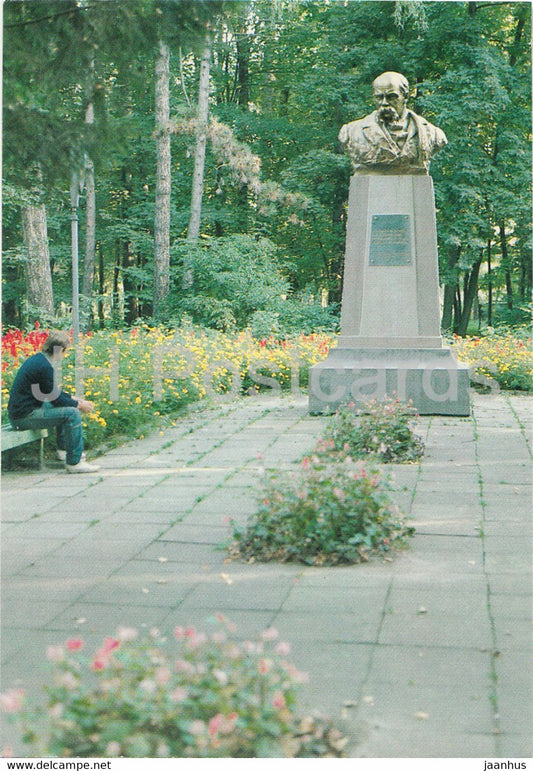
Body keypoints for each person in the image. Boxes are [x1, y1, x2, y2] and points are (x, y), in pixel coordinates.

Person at [7, 330, 100, 473]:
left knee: (66, 407)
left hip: (20, 414)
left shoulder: (39, 360)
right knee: (72, 413)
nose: (65, 355)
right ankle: (74, 463)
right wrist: (79, 405)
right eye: (65, 351)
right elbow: (55, 399)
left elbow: (52, 393)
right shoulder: (44, 366)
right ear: (60, 350)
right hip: (24, 418)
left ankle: (64, 452)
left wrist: (73, 398)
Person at [338, 71, 447, 174]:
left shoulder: (432, 133)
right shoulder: (351, 131)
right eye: (379, 97)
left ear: (405, 96)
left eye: (391, 97)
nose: (384, 103)